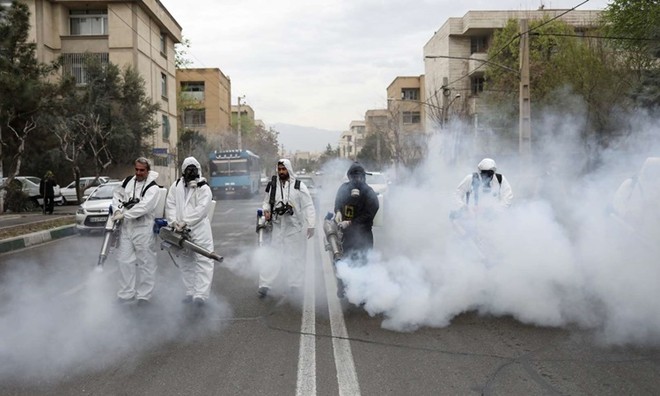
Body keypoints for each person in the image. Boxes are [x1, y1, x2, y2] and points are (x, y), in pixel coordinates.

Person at [258, 158, 316, 299]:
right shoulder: (273, 186)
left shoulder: (298, 186)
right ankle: (265, 285)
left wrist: (311, 224)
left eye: (283, 169)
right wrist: (266, 210)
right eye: (279, 169)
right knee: (273, 256)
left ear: (288, 170)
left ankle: (295, 285)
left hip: (294, 227)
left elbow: (308, 206)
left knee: (295, 257)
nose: (281, 172)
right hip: (277, 227)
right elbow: (266, 203)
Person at [165, 156, 215, 307]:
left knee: (203, 260)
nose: (191, 173)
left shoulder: (204, 188)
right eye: (188, 170)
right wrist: (173, 221)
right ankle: (191, 291)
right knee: (186, 261)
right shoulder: (176, 186)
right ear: (183, 171)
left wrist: (185, 222)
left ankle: (201, 295)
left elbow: (201, 210)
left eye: (194, 170)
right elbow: (170, 204)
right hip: (180, 229)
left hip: (199, 230)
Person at [111, 157, 161, 306]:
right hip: (127, 227)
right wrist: (117, 210)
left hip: (143, 229)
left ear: (147, 170)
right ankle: (126, 293)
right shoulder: (127, 182)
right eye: (137, 169)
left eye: (142, 170)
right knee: (124, 261)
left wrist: (125, 214)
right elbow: (117, 196)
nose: (138, 173)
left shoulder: (153, 188)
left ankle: (144, 296)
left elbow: (145, 207)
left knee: (146, 263)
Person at [334, 162, 380, 264]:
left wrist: (350, 223)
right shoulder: (343, 189)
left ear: (363, 177)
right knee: (348, 262)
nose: (356, 180)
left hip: (364, 236)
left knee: (363, 264)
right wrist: (338, 212)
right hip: (347, 236)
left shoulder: (369, 192)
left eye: (358, 177)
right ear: (349, 177)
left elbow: (369, 214)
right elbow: (338, 202)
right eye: (353, 177)